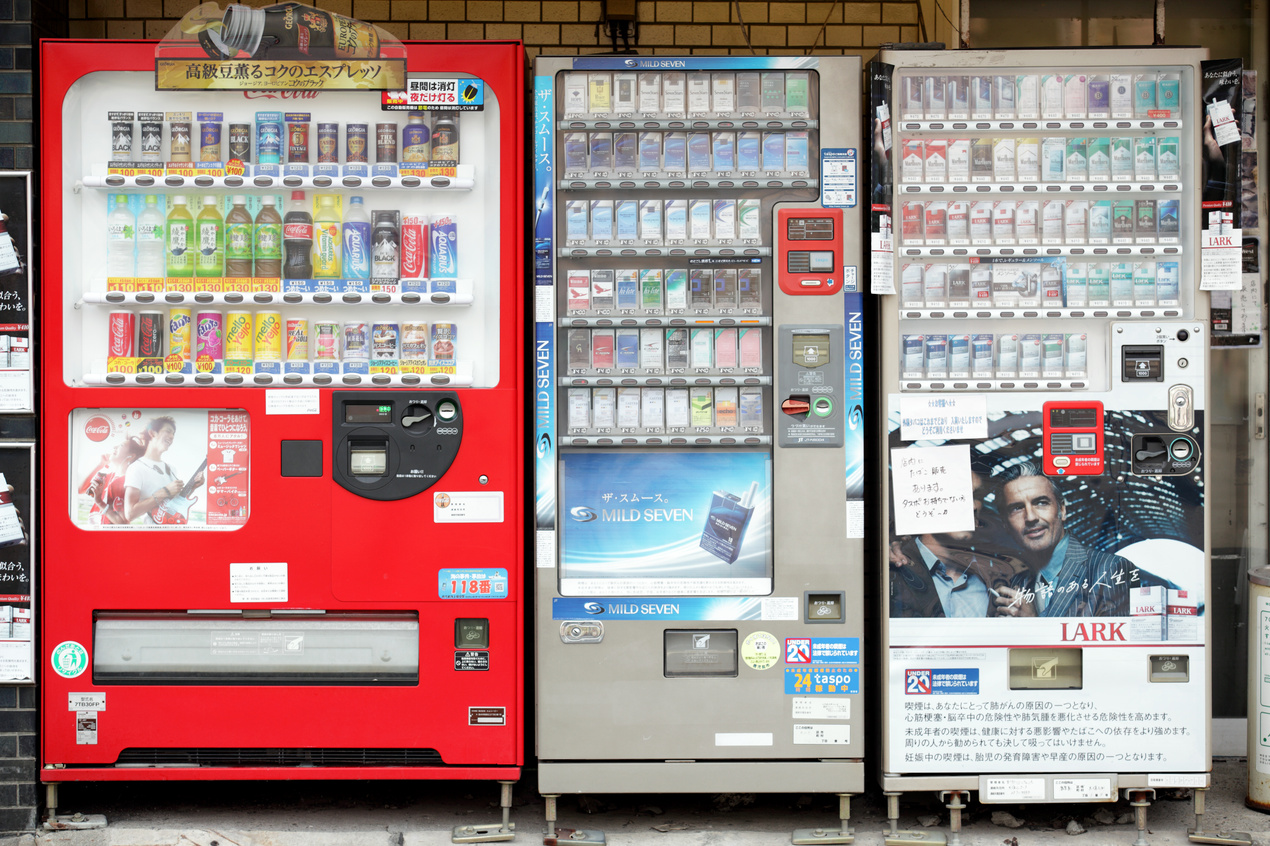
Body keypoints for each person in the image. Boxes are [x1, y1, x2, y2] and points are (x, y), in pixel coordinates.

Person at [993, 462, 1133, 617]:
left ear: (1062, 510)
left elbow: (1116, 640)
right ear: (1005, 524)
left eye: (1041, 503)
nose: (1031, 517)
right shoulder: (1017, 581)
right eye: (1017, 508)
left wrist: (1033, 623)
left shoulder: (1110, 569)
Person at [890, 467, 1020, 618]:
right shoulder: (890, 568)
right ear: (925, 501)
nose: (973, 506)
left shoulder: (998, 576)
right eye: (961, 494)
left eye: (977, 496)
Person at [123, 416, 203, 525]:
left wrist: (193, 486)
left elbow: (175, 503)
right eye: (168, 431)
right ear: (152, 433)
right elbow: (130, 514)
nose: (172, 436)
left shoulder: (171, 468)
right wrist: (165, 492)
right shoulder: (136, 468)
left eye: (173, 434)